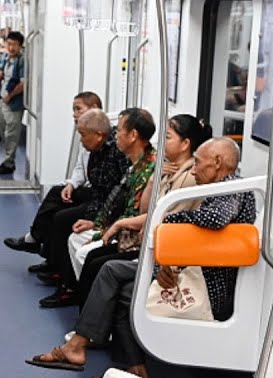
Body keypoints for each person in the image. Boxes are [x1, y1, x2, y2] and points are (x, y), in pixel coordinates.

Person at [26, 137, 256, 378]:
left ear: (218, 162)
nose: (194, 169)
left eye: (198, 163)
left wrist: (169, 222)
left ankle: (109, 360)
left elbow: (213, 220)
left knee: (121, 287)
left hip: (208, 284)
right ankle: (112, 361)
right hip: (194, 269)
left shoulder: (233, 189)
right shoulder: (218, 189)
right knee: (115, 278)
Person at [73, 114, 212, 307]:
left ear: (185, 144)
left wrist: (118, 224)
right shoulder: (168, 169)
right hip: (145, 239)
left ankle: (88, 330)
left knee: (99, 264)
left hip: (157, 249)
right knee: (93, 259)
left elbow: (163, 219)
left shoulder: (188, 178)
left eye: (168, 137)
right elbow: (145, 209)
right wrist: (155, 178)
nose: (162, 142)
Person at [41, 107, 157, 308]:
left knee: (89, 256)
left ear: (133, 135)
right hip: (116, 224)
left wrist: (106, 227)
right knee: (74, 237)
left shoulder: (149, 169)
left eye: (119, 130)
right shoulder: (134, 165)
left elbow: (138, 211)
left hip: (131, 235)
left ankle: (86, 311)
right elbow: (115, 199)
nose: (116, 134)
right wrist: (96, 223)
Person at [34, 107, 129, 287]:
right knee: (58, 196)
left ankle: (65, 281)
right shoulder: (96, 148)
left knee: (63, 219)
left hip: (107, 205)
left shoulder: (117, 153)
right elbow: (91, 180)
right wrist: (71, 185)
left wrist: (96, 221)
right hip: (98, 197)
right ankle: (42, 248)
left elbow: (117, 195)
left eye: (84, 135)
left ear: (99, 135)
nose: (81, 140)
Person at [3, 92, 105, 254]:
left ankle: (39, 246)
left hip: (98, 197)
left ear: (94, 109)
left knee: (60, 215)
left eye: (78, 109)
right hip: (89, 190)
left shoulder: (100, 136)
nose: (74, 113)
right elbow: (81, 166)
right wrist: (71, 184)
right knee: (57, 193)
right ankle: (38, 244)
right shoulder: (86, 134)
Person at [0, 31, 27, 176]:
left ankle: (9, 163)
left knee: (11, 134)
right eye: (9, 44)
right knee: (3, 131)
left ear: (20, 46)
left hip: (13, 103)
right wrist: (1, 75)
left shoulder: (22, 60)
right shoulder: (8, 58)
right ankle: (7, 160)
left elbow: (23, 83)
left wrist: (10, 95)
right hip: (3, 100)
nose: (11, 47)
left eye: (15, 45)